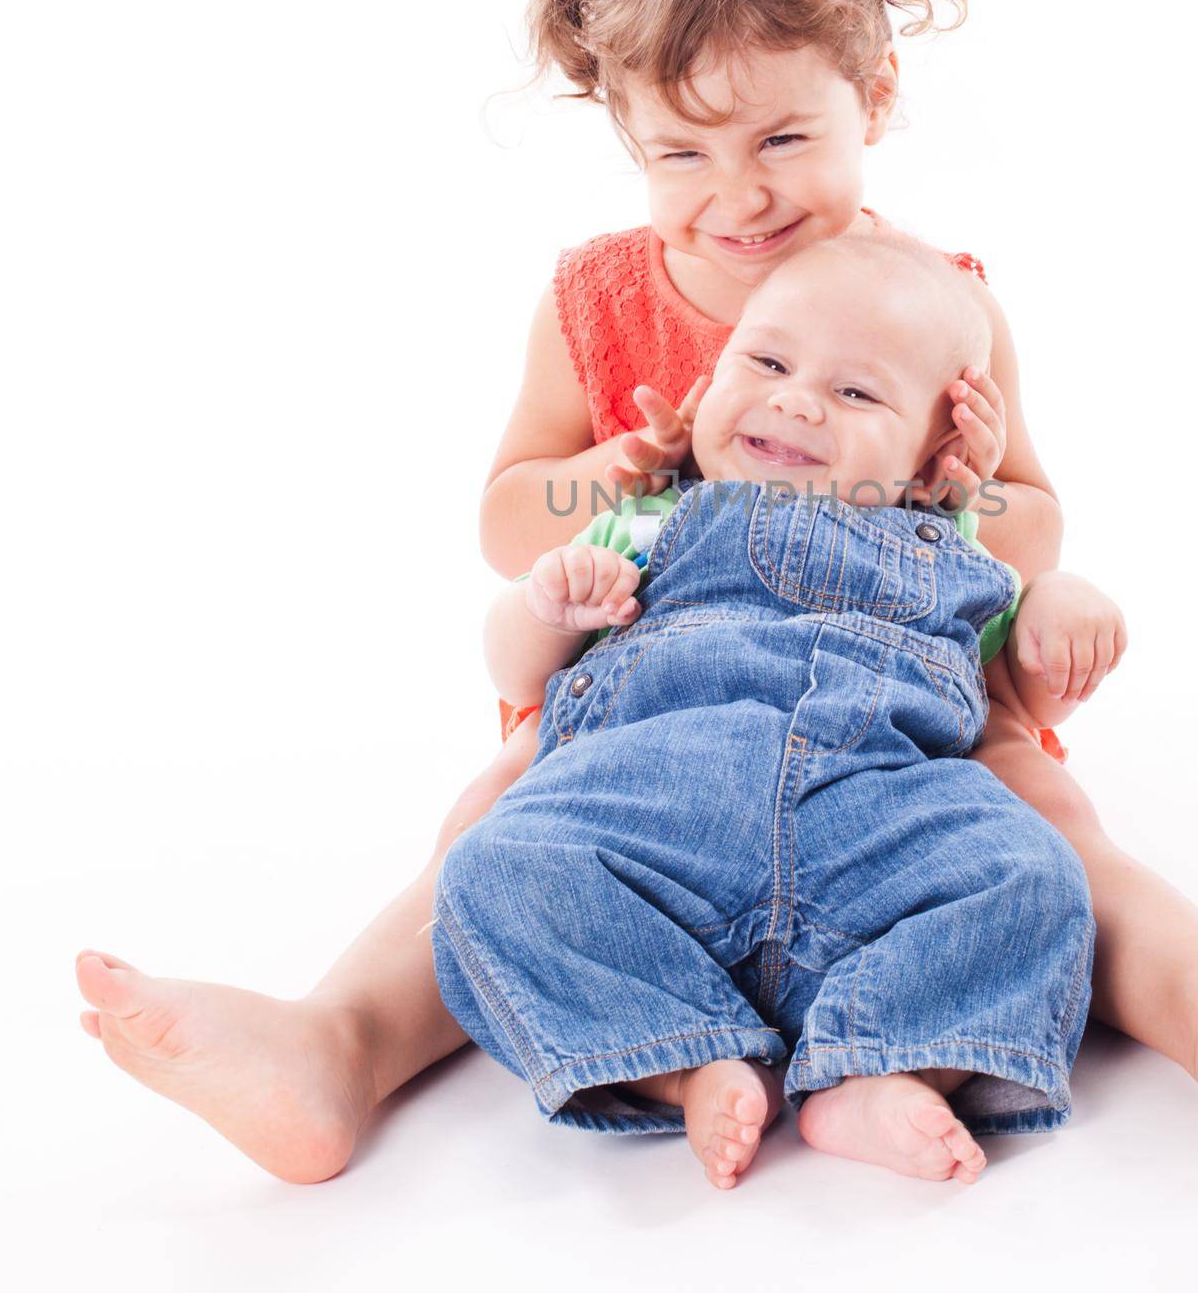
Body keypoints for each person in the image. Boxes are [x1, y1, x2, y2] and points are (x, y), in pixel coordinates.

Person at [75, 0, 1198, 1185]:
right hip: (651, 680)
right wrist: (610, 488)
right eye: (682, 152)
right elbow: (509, 513)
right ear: (627, 136)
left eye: (784, 141)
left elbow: (1031, 520)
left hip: (901, 698)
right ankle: (340, 1047)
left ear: (873, 98)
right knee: (489, 829)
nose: (737, 197)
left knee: (1048, 826)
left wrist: (959, 491)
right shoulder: (601, 301)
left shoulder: (937, 303)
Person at [444, 233, 1099, 1188]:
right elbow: (513, 672)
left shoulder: (949, 546)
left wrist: (1065, 605)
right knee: (493, 871)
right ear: (710, 380)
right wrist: (548, 608)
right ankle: (686, 1063)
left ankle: (878, 1068)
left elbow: (1030, 695)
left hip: (874, 817)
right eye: (767, 362)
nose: (795, 399)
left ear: (932, 461)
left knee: (1037, 881)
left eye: (856, 394)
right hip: (652, 811)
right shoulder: (648, 513)